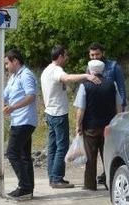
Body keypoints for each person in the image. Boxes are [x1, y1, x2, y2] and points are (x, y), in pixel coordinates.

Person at [40, 46, 101, 189]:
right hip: (58, 113)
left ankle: (52, 176)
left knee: (53, 146)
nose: (67, 58)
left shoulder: (46, 70)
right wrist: (86, 76)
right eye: (65, 56)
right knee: (62, 146)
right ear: (60, 56)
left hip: (50, 113)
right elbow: (67, 78)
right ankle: (57, 178)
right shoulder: (56, 70)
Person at [0, 49, 37, 200]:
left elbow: (31, 96)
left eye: (7, 63)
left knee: (12, 153)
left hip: (25, 120)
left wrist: (13, 107)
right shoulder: (13, 77)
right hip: (18, 120)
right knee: (24, 156)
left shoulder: (26, 75)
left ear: (15, 61)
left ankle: (24, 187)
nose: (6, 66)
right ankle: (28, 189)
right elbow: (6, 94)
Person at [74, 60, 121, 190]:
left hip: (90, 127)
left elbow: (81, 109)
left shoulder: (85, 86)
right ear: (103, 70)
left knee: (90, 157)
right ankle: (110, 183)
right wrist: (118, 122)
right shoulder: (112, 84)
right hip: (108, 126)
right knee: (108, 156)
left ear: (90, 70)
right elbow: (118, 106)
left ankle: (90, 185)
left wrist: (78, 125)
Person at [88, 42, 127, 185]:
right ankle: (104, 174)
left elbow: (121, 89)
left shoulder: (114, 67)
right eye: (92, 55)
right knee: (96, 147)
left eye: (97, 54)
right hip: (94, 113)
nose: (94, 57)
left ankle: (109, 173)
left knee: (109, 144)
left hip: (111, 113)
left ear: (102, 53)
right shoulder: (89, 67)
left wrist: (121, 110)